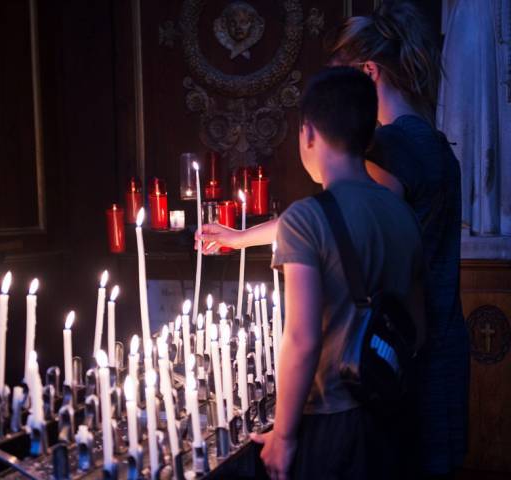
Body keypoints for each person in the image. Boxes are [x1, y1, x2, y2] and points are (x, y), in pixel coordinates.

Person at [201, 3, 469, 478]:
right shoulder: (434, 144)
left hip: (385, 360)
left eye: (344, 77)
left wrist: (242, 238)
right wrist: (242, 237)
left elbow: (345, 222)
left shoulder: (390, 148)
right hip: (434, 339)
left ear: (367, 74)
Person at [249, 66, 424, 480]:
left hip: (332, 422)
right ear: (368, 138)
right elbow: (418, 330)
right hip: (392, 416)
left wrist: (285, 437)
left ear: (308, 133)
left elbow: (302, 338)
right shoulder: (403, 214)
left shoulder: (305, 220)